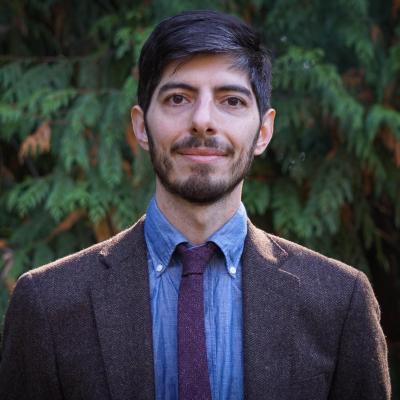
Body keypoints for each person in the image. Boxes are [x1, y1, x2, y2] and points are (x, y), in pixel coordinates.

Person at [0, 10, 390, 400]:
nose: (203, 120)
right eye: (178, 98)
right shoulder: (48, 303)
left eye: (231, 100)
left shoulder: (341, 302)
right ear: (140, 126)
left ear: (263, 131)